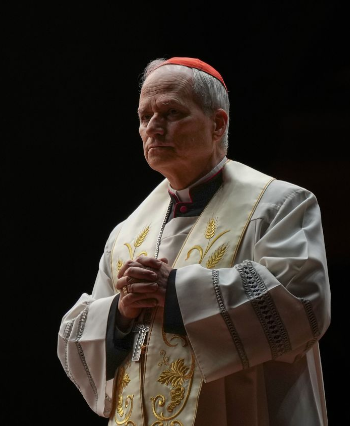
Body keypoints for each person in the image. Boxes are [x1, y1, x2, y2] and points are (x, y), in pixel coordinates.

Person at [56, 57, 331, 426]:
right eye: (145, 117)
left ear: (218, 124)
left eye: (171, 112)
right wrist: (121, 313)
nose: (153, 128)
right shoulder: (126, 232)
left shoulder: (279, 205)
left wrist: (176, 292)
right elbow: (81, 346)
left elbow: (302, 303)